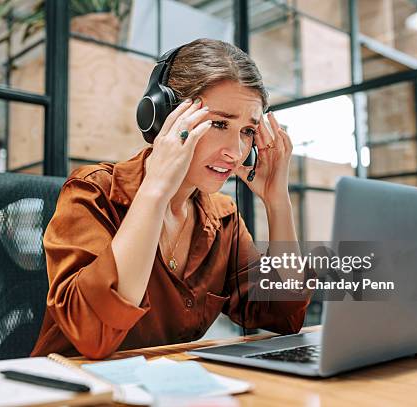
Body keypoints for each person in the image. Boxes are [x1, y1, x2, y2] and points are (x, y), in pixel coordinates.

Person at [31, 38, 312, 359]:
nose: (235, 152)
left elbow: (285, 313)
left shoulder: (223, 218)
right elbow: (96, 337)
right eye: (218, 123)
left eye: (247, 131)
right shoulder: (94, 192)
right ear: (163, 115)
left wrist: (277, 202)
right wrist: (156, 190)